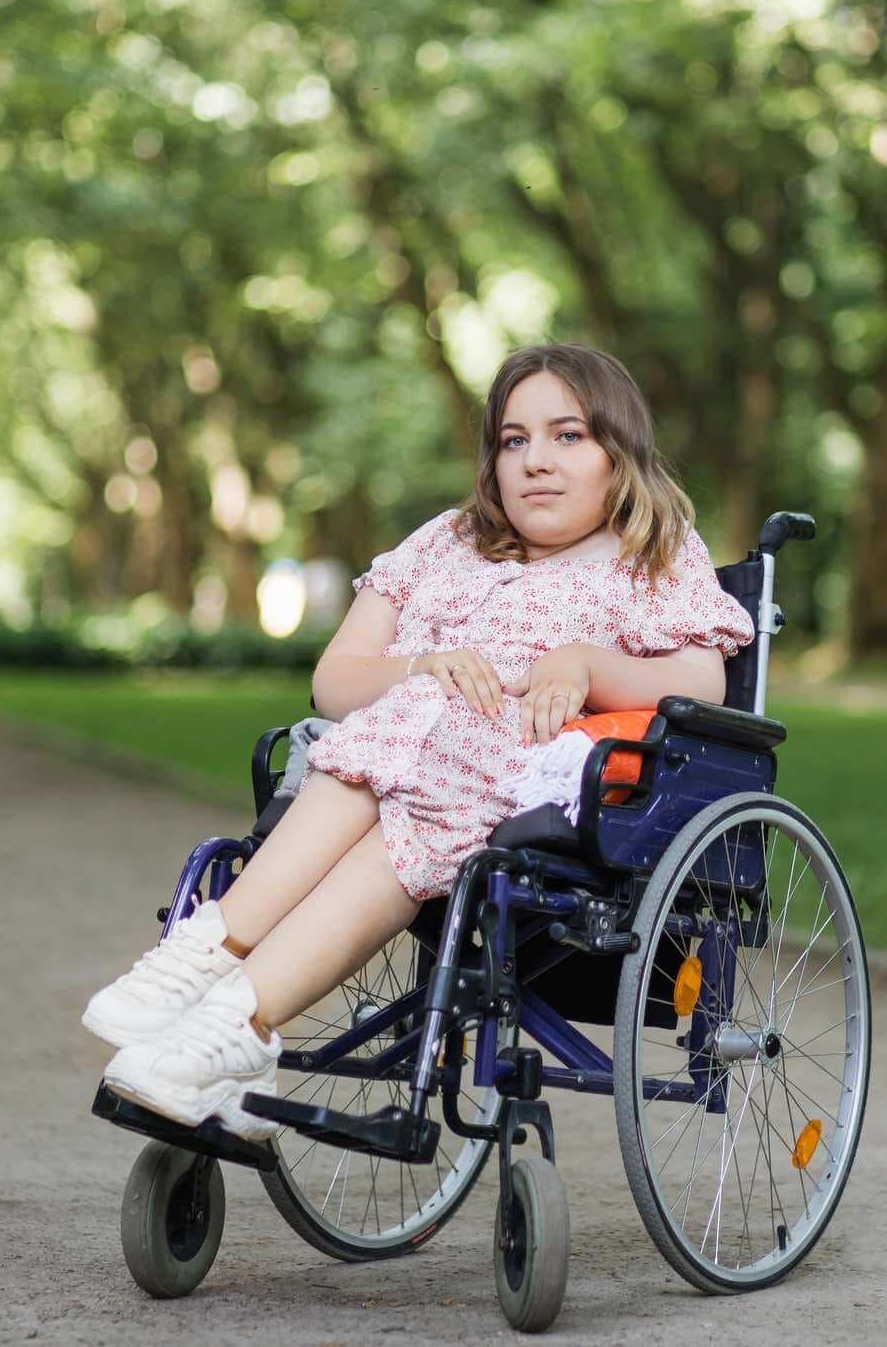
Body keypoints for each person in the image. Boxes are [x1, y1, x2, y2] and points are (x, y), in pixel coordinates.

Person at [82, 342, 755, 1138]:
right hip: (395, 762)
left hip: (532, 773)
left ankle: (217, 975)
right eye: (514, 440)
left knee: (420, 748)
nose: (536, 460)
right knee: (412, 748)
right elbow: (335, 682)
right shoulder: (445, 542)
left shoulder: (651, 550)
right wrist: (421, 667)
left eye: (568, 436)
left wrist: (581, 663)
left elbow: (701, 684)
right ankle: (228, 1010)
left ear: (619, 451)